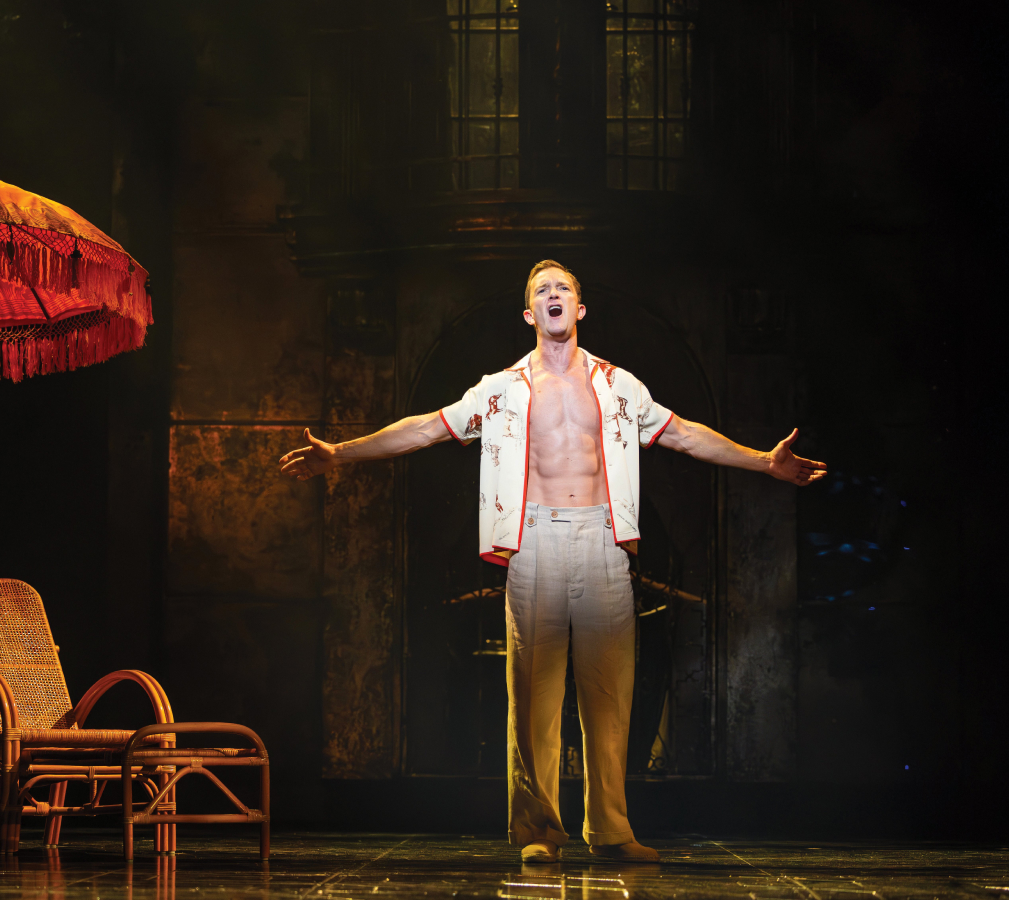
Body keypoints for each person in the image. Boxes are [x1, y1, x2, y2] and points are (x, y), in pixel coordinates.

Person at [279, 260, 827, 863]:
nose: (554, 295)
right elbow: (424, 430)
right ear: (529, 314)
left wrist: (763, 462)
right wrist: (341, 455)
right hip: (534, 541)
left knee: (609, 694)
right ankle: (539, 832)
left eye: (564, 287)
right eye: (543, 290)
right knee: (534, 696)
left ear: (581, 308)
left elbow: (685, 435)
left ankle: (611, 830)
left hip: (603, 543)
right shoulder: (500, 388)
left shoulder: (620, 384)